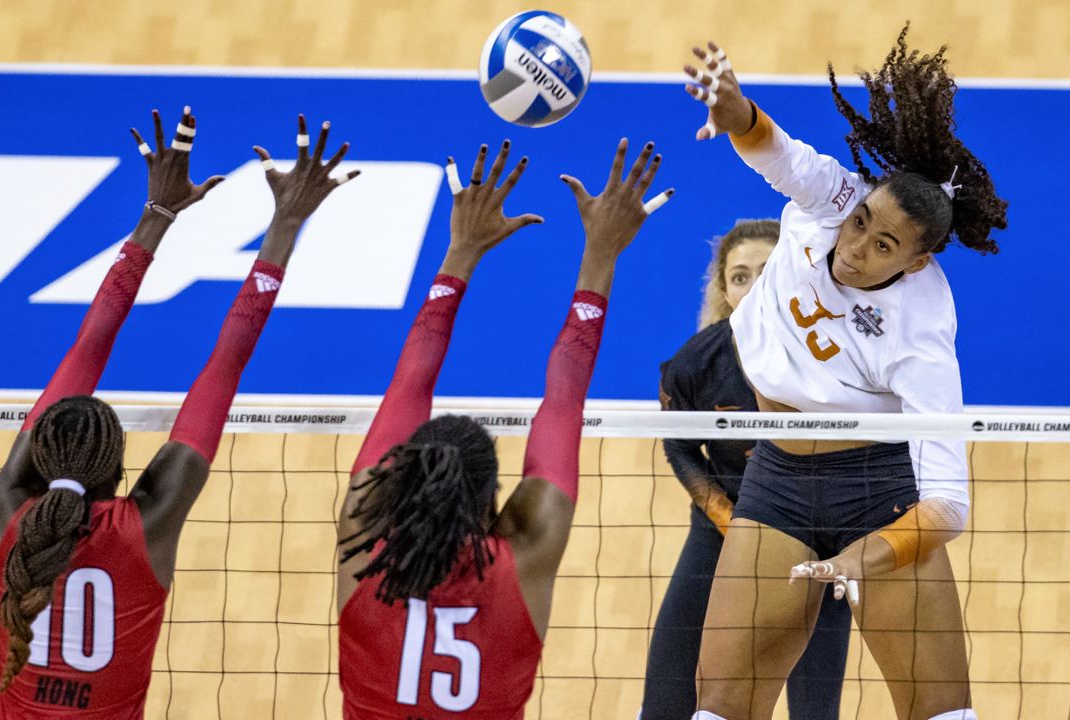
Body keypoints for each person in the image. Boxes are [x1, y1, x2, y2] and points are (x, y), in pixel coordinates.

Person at [0, 111, 356, 718]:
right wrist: (284, 224)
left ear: (36, 455)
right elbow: (226, 363)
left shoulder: (13, 509)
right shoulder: (129, 525)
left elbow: (88, 350)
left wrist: (158, 214)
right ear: (120, 466)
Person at [679, 25, 1007, 720]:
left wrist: (868, 558)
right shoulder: (829, 203)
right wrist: (732, 109)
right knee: (717, 708)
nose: (855, 247)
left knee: (944, 712)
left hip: (879, 493)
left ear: (915, 261)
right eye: (862, 223)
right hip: (777, 482)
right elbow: (772, 149)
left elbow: (949, 502)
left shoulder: (922, 328)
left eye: (882, 243)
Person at [336, 138, 673, 718]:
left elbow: (409, 381)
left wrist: (459, 254)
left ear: (396, 481)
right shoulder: (528, 550)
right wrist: (601, 254)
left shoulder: (363, 533)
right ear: (496, 494)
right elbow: (563, 400)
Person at [641, 220, 852, 720]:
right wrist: (727, 519)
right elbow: (680, 446)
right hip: (725, 526)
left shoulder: (841, 358)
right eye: (739, 277)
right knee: (666, 697)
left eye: (767, 271)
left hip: (819, 535)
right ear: (724, 291)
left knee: (815, 709)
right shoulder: (694, 364)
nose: (753, 286)